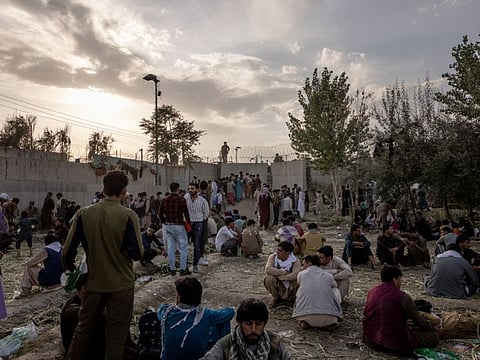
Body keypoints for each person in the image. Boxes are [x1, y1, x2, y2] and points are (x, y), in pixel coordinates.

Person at [62, 170, 143, 360]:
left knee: (83, 329)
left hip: (93, 284)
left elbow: (67, 254)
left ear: (103, 189)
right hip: (122, 285)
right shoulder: (129, 216)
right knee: (116, 334)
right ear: (124, 192)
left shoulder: (83, 214)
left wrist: (76, 278)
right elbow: (137, 253)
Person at [363, 265, 439, 356]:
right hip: (393, 343)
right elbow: (420, 322)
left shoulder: (372, 291)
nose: (400, 283)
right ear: (394, 280)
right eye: (400, 279)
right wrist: (433, 328)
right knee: (434, 337)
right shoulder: (402, 297)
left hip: (370, 339)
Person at [157, 276, 234, 360]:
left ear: (179, 297)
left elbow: (161, 307)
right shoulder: (206, 314)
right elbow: (230, 312)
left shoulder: (167, 313)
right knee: (222, 322)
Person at [201, 298, 291, 360]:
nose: (253, 329)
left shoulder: (274, 343)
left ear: (264, 324)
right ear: (240, 323)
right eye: (248, 324)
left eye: (258, 324)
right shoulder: (226, 345)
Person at [293, 255, 342, 330]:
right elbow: (334, 285)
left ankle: (303, 322)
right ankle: (331, 322)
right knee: (335, 290)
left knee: (300, 291)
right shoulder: (328, 276)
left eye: (303, 265)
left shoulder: (301, 274)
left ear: (309, 264)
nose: (302, 267)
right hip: (328, 317)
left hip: (305, 315)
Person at [159, 182, 191, 276]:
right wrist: (189, 223)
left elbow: (160, 214)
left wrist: (164, 221)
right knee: (183, 248)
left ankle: (172, 270)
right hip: (179, 226)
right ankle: (182, 269)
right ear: (178, 189)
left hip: (168, 225)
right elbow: (186, 213)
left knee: (171, 248)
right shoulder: (182, 200)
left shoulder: (165, 200)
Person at [264, 241, 301, 307]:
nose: (277, 252)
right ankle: (275, 297)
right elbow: (268, 269)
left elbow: (295, 274)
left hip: (289, 284)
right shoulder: (273, 257)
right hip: (278, 282)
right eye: (277, 249)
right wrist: (283, 272)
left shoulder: (295, 261)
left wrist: (283, 277)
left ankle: (292, 298)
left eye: (280, 250)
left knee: (298, 280)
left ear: (287, 253)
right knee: (269, 278)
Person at [185, 182, 210, 273]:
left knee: (197, 244)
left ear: (197, 189)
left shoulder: (202, 200)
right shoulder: (186, 198)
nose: (190, 190)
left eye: (192, 188)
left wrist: (199, 220)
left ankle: (195, 265)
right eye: (189, 188)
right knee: (185, 245)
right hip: (188, 223)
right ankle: (185, 265)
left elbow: (206, 213)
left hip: (198, 223)